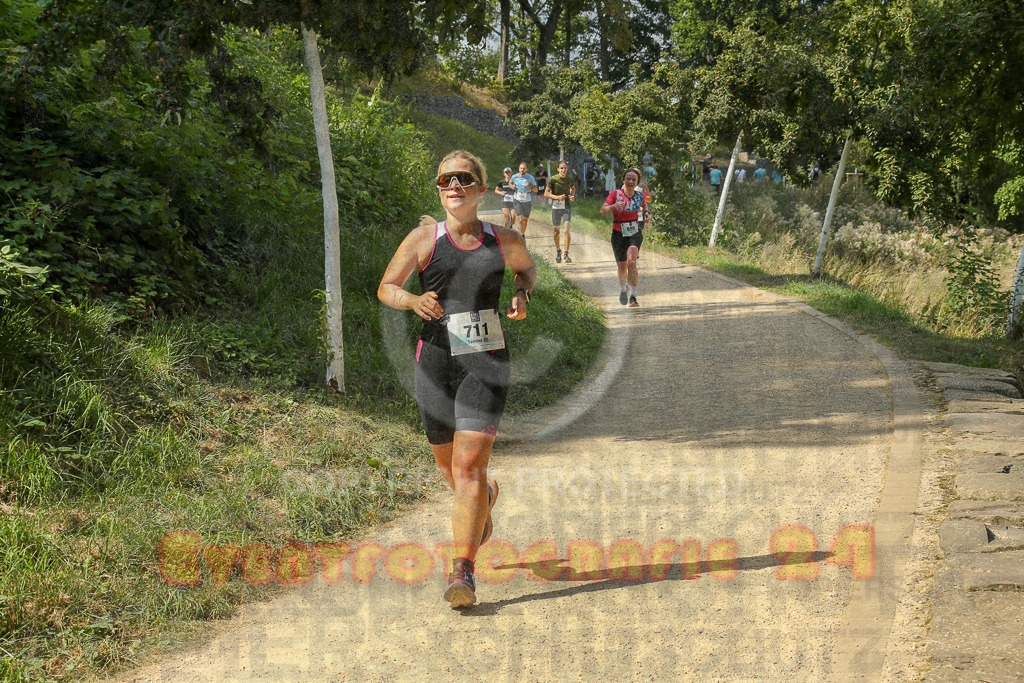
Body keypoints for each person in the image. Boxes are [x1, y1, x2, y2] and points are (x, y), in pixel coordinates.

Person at [377, 150, 537, 608]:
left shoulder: (503, 238)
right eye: (446, 179)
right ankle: (483, 500)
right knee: (450, 469)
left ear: (481, 189)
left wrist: (522, 293)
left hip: (485, 360)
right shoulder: (423, 239)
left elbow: (527, 270)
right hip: (435, 363)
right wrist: (410, 301)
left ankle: (463, 569)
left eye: (464, 179)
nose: (454, 186)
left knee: (468, 466)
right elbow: (386, 287)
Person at [599, 167, 646, 307]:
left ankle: (633, 295)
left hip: (635, 232)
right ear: (623, 180)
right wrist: (613, 206)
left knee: (632, 261)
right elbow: (602, 211)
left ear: (637, 182)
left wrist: (647, 213)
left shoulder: (640, 196)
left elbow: (644, 205)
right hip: (618, 233)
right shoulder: (616, 194)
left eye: (634, 179)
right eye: (628, 179)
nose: (631, 181)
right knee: (622, 267)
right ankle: (623, 288)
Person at [544, 160, 576, 264]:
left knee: (566, 230)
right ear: (558, 169)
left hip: (566, 206)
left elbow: (573, 188)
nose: (563, 170)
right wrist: (557, 197)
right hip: (556, 207)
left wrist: (572, 196)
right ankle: (558, 251)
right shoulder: (553, 179)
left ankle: (566, 254)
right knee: (556, 231)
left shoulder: (569, 179)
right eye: (561, 168)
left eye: (565, 168)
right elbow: (546, 193)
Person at [509, 161, 538, 236]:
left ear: (527, 169)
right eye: (521, 168)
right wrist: (512, 186)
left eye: (524, 168)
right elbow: (510, 182)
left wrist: (529, 186)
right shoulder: (515, 176)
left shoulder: (530, 177)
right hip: (517, 199)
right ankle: (520, 237)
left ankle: (522, 234)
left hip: (527, 200)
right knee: (520, 219)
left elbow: (536, 189)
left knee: (525, 220)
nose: (522, 170)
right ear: (519, 169)